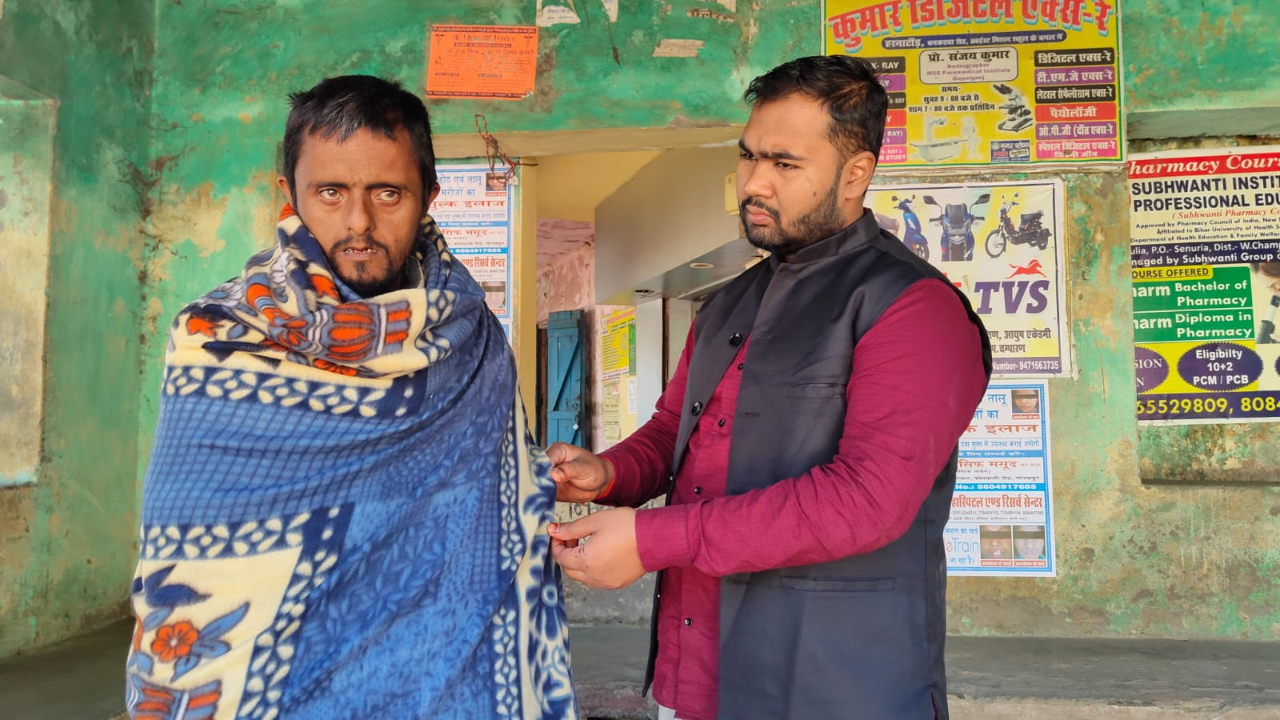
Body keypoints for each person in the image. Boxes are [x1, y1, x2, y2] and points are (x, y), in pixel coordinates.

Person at [546, 56, 991, 720]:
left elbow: (867, 502)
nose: (753, 182)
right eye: (748, 156)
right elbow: (675, 432)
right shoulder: (730, 302)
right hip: (689, 677)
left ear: (856, 174)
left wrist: (651, 540)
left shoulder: (911, 307)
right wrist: (607, 472)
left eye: (785, 164)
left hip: (829, 686)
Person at [126, 76, 575, 719]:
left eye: (387, 193)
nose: (358, 222)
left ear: (428, 198)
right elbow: (189, 548)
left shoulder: (470, 335)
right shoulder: (218, 337)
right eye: (330, 193)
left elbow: (496, 491)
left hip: (447, 677)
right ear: (290, 195)